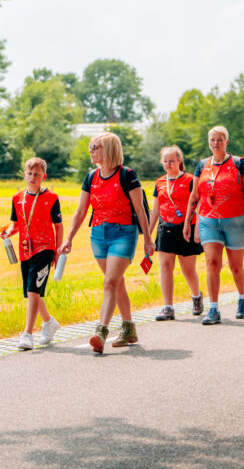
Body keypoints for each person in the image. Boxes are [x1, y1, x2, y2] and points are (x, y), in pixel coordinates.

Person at [58, 133, 155, 353]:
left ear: (109, 149)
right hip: (98, 236)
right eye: (91, 146)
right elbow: (81, 211)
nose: (91, 150)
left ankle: (101, 331)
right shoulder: (91, 177)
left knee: (110, 283)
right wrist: (69, 238)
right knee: (116, 282)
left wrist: (148, 239)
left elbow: (140, 209)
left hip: (124, 234)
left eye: (95, 146)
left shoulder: (127, 175)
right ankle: (129, 328)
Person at [183, 126, 244, 325]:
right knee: (212, 263)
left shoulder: (239, 163)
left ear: (227, 142)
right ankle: (214, 309)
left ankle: (242, 298)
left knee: (235, 266)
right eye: (212, 140)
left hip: (236, 220)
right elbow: (195, 194)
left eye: (220, 140)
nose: (215, 143)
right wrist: (189, 221)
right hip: (208, 220)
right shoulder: (202, 165)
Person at [1, 158, 63, 350]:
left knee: (32, 291)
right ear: (24, 175)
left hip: (44, 249)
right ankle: (49, 322)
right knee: (32, 292)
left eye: (37, 174)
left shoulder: (51, 198)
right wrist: (8, 231)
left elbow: (58, 226)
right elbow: (17, 223)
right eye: (29, 173)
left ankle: (27, 334)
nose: (32, 177)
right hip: (25, 250)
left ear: (43, 177)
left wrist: (58, 251)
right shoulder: (17, 198)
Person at [150, 145, 204, 320]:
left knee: (187, 269)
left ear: (180, 161)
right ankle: (168, 307)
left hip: (186, 228)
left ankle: (196, 296)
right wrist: (148, 235)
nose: (168, 164)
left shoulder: (190, 180)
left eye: (171, 161)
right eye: (165, 161)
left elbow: (199, 206)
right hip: (165, 229)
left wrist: (197, 229)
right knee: (165, 266)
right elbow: (155, 211)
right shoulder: (159, 183)